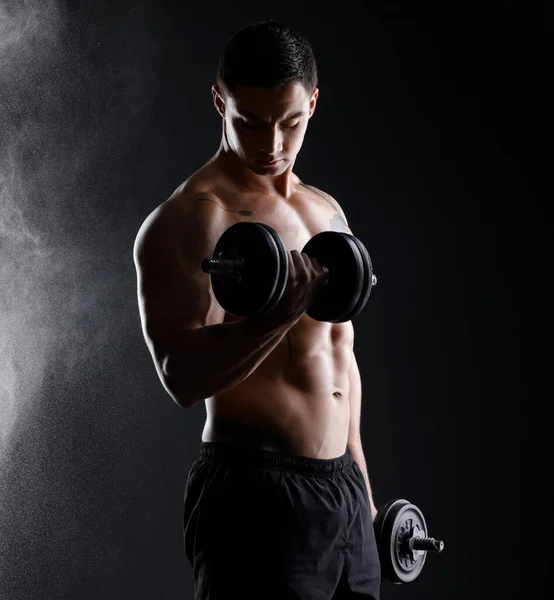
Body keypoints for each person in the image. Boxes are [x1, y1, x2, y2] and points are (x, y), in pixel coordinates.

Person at [133, 19, 381, 600]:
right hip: (255, 490)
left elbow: (341, 361)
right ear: (220, 101)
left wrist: (362, 490)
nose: (271, 143)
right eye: (250, 121)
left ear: (313, 104)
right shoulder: (193, 218)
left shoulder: (326, 210)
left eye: (290, 122)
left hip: (343, 493)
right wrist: (274, 318)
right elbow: (180, 376)